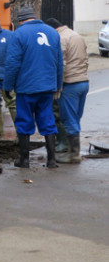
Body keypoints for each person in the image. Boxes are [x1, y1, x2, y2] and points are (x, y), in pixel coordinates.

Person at [3, 6, 63, 169]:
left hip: (26, 88)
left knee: (24, 122)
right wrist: (58, 84)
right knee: (47, 121)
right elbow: (59, 62)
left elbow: (12, 63)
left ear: (21, 20)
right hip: (47, 88)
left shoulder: (19, 34)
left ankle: (24, 160)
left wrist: (8, 85)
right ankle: (51, 160)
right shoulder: (53, 33)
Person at [45, 18, 89, 163]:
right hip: (83, 82)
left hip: (70, 84)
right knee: (75, 118)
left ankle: (74, 155)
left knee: (69, 120)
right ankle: (73, 151)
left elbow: (61, 64)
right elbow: (86, 60)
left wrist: (58, 85)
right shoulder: (76, 36)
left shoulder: (61, 38)